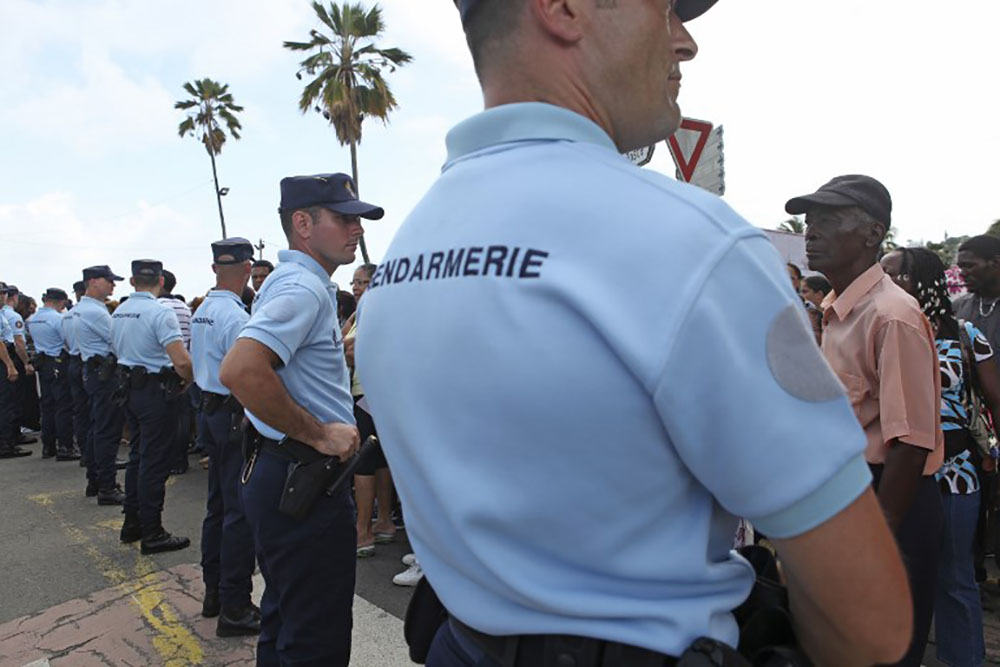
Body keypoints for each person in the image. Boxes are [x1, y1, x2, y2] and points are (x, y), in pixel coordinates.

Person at [356, 2, 912, 666]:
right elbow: (870, 623)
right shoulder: (693, 241)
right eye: (666, 9)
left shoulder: (404, 255)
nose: (685, 43)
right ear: (563, 9)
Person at [220, 173, 382, 666]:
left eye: (357, 219)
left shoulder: (295, 283)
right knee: (316, 639)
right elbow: (242, 369)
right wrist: (319, 434)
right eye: (344, 218)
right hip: (304, 478)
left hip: (283, 474)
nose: (356, 229)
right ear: (303, 223)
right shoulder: (305, 287)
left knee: (286, 620)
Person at [789, 174, 943, 667]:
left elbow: (912, 441)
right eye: (810, 222)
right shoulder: (835, 312)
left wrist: (879, 542)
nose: (811, 232)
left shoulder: (891, 314)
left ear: (874, 233)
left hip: (889, 502)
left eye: (829, 221)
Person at [882, 246, 995, 667]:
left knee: (953, 576)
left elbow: (995, 399)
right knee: (900, 576)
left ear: (924, 281)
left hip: (954, 470)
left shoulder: (965, 334)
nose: (887, 283)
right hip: (891, 468)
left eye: (896, 275)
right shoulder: (884, 326)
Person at [190, 238, 259, 637]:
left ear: (216, 267)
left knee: (218, 506)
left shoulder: (204, 310)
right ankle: (235, 604)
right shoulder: (235, 317)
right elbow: (246, 373)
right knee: (238, 513)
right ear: (248, 269)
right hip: (232, 416)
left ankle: (214, 591)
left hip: (211, 413)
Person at [111, 259, 194, 553]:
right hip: (156, 393)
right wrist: (190, 380)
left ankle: (132, 523)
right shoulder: (160, 313)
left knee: (137, 457)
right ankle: (152, 531)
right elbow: (182, 360)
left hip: (130, 391)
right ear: (160, 281)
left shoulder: (120, 311)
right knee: (154, 463)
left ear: (132, 282)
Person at [343, 263, 396, 558]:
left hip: (366, 391)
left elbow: (348, 348)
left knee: (363, 463)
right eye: (354, 282)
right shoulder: (373, 310)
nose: (357, 287)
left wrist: (348, 338)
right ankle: (384, 521)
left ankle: (363, 531)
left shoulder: (374, 310)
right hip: (381, 394)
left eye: (363, 282)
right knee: (380, 461)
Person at [75, 266, 127, 505]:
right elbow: (117, 343)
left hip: (92, 370)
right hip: (104, 373)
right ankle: (107, 486)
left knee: (96, 427)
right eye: (109, 281)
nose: (112, 286)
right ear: (93, 281)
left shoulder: (80, 309)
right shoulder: (96, 312)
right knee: (107, 431)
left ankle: (95, 481)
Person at [26, 288, 79, 460]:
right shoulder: (58, 318)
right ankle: (65, 446)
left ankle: (48, 446)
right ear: (61, 301)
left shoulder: (33, 319)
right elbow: (68, 341)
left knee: (47, 405)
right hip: (59, 361)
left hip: (43, 362)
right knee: (63, 405)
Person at [158, 269, 195, 475]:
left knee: (165, 421)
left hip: (164, 367)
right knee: (183, 417)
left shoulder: (157, 307)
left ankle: (169, 459)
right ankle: (180, 460)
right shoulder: (183, 307)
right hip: (184, 365)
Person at [65, 280, 96, 489]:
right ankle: (93, 459)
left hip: (74, 361)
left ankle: (86, 453)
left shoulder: (68, 315)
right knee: (97, 417)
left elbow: (64, 341)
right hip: (92, 364)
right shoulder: (93, 312)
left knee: (80, 411)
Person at [2, 285, 37, 446]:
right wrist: (24, 363)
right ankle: (8, 440)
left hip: (7, 355)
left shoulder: (3, 314)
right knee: (10, 401)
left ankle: (12, 436)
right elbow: (18, 342)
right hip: (8, 357)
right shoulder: (13, 316)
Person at [0, 309, 27, 459]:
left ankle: (8, 442)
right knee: (6, 404)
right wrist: (9, 365)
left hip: (5, 355)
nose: (3, 297)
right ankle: (5, 445)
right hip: (3, 358)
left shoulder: (3, 314)